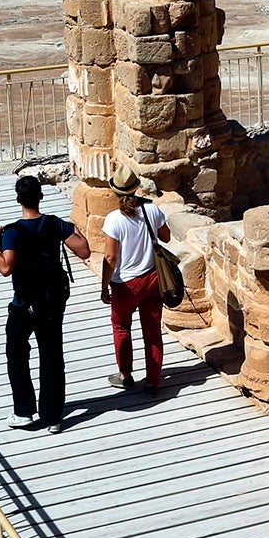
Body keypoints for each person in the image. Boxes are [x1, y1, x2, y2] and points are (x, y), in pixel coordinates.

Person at [0, 174, 89, 433]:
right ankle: (53, 417)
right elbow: (84, 250)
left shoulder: (12, 232)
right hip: (52, 302)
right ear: (40, 197)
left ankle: (24, 412)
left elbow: (6, 267)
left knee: (17, 355)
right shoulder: (55, 225)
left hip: (23, 304)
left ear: (18, 198)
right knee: (52, 356)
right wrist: (74, 230)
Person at [99, 163, 170, 398]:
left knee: (121, 327)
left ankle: (125, 375)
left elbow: (110, 257)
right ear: (136, 188)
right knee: (152, 332)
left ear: (116, 192)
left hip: (125, 285)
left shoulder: (113, 220)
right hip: (151, 278)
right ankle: (154, 381)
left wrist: (104, 287)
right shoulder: (151, 210)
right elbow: (166, 237)